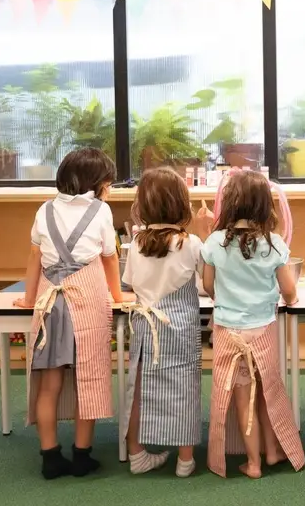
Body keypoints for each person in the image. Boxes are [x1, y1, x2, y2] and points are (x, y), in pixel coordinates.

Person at [15, 148, 124, 480]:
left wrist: (30, 299)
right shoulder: (101, 211)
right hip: (87, 303)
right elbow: (110, 258)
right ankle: (81, 456)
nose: (110, 188)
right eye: (109, 183)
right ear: (97, 183)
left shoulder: (44, 209)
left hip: (49, 303)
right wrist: (119, 296)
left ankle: (50, 457)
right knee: (87, 381)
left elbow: (35, 258)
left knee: (49, 385)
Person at [200, 170, 305, 479]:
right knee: (268, 392)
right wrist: (290, 298)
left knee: (243, 398)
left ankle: (253, 462)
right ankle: (272, 452)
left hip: (229, 331)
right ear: (264, 206)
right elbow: (289, 291)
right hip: (263, 330)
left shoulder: (214, 242)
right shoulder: (274, 244)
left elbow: (208, 286)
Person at [120, 168, 208, 477]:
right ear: (182, 204)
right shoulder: (191, 244)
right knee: (185, 390)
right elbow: (207, 282)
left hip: (147, 329)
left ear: (142, 205)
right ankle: (185, 460)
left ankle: (136, 453)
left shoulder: (135, 245)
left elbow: (130, 284)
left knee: (139, 390)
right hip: (180, 328)